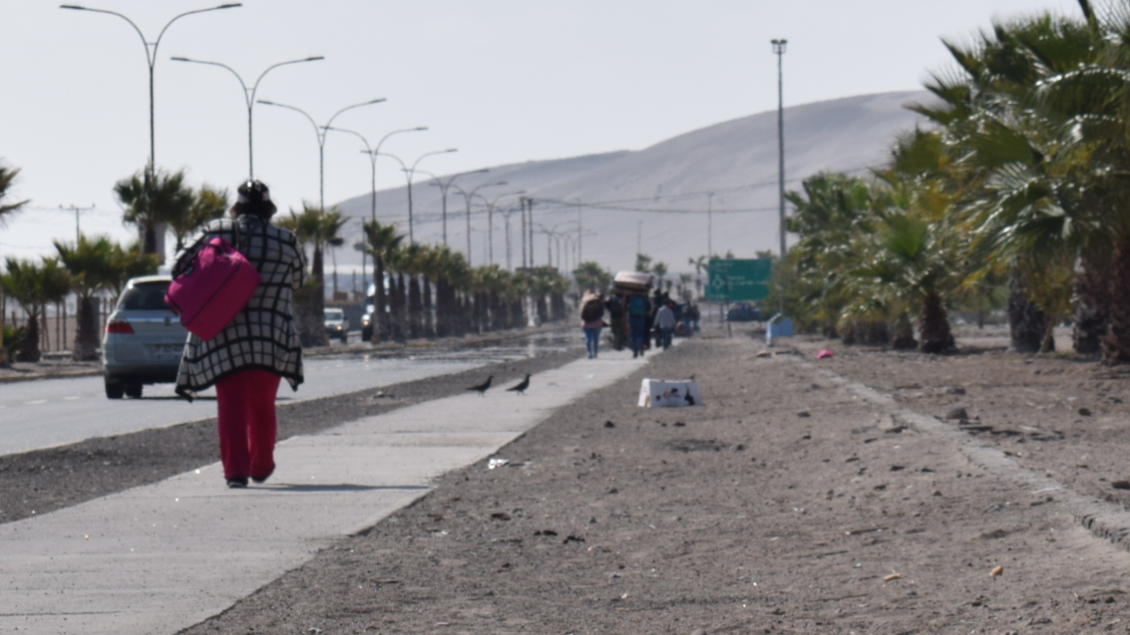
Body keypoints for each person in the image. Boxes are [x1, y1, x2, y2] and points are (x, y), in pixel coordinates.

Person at [174, 180, 306, 489]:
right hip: (271, 336)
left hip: (222, 332)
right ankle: (261, 465)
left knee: (230, 403)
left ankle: (236, 472)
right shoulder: (286, 240)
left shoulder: (215, 232)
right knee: (262, 404)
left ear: (238, 207)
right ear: (268, 209)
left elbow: (179, 265)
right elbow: (299, 279)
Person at [580, 291, 604, 359]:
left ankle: (589, 352)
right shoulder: (598, 303)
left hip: (586, 324)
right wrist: (594, 319)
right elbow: (601, 314)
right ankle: (595, 353)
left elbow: (582, 315)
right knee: (595, 339)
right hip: (597, 324)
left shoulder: (584, 303)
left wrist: (588, 320)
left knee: (588, 338)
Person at [626, 292, 651, 358]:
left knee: (633, 335)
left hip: (632, 317)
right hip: (640, 317)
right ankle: (641, 345)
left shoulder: (631, 298)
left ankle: (635, 351)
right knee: (640, 334)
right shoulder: (643, 299)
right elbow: (648, 307)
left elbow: (626, 307)